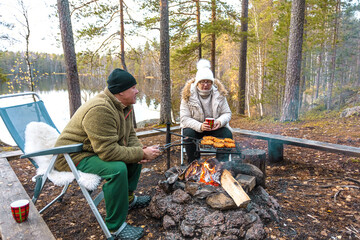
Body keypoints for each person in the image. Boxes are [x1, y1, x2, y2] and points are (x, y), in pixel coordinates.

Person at [54, 68, 161, 240]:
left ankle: (128, 199)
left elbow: (130, 135)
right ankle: (115, 227)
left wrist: (141, 152)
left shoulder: (124, 105)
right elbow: (108, 152)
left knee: (135, 157)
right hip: (71, 156)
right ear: (120, 91)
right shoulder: (100, 109)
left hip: (92, 151)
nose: (137, 91)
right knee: (117, 168)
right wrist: (139, 153)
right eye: (133, 87)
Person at [180, 59, 233, 163]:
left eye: (208, 82)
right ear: (197, 82)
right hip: (196, 128)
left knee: (227, 133)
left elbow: (227, 113)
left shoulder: (220, 94)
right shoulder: (187, 95)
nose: (205, 85)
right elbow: (184, 118)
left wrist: (220, 122)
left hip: (215, 127)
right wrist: (200, 126)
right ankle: (194, 164)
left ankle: (221, 164)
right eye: (202, 82)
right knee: (187, 134)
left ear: (212, 82)